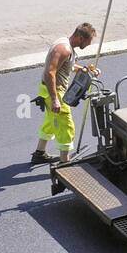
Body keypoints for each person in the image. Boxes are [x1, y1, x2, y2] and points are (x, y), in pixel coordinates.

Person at [31, 22, 98, 165]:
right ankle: (64, 162)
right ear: (80, 37)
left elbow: (68, 66)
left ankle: (39, 153)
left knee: (50, 121)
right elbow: (50, 73)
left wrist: (85, 70)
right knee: (66, 125)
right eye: (88, 41)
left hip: (47, 90)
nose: (89, 44)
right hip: (55, 91)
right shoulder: (64, 49)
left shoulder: (66, 45)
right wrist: (55, 99)